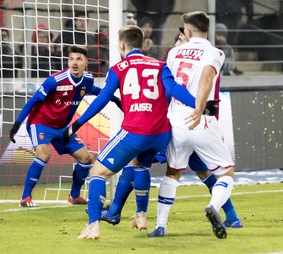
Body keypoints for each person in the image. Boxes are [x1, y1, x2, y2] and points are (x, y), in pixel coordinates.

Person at [63, 25, 206, 240]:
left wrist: (77, 123)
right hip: (160, 134)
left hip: (135, 131)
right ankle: (141, 216)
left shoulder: (119, 68)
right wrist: (200, 104)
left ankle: (93, 225)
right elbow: (175, 90)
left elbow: (102, 100)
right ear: (142, 42)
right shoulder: (160, 65)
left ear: (121, 44)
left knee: (97, 174)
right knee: (140, 166)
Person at [101, 27, 242, 232]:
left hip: (173, 125)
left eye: (181, 38)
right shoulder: (201, 61)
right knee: (203, 171)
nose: (178, 41)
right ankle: (231, 216)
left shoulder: (176, 62)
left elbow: (168, 92)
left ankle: (117, 212)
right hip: (196, 123)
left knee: (138, 163)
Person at [149, 11, 237, 240]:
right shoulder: (214, 52)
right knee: (226, 172)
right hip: (201, 122)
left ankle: (160, 226)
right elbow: (207, 78)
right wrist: (199, 108)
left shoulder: (173, 52)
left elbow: (169, 86)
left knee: (172, 173)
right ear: (207, 29)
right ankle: (213, 208)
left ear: (187, 31)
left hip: (177, 123)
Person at [8, 45, 122, 207]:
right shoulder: (54, 80)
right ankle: (26, 197)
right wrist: (17, 124)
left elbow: (95, 90)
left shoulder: (87, 79)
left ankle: (74, 196)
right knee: (44, 155)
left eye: (78, 59)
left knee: (86, 158)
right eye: (71, 59)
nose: (74, 63)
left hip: (62, 127)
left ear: (86, 62)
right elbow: (33, 101)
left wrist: (115, 99)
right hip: (40, 123)